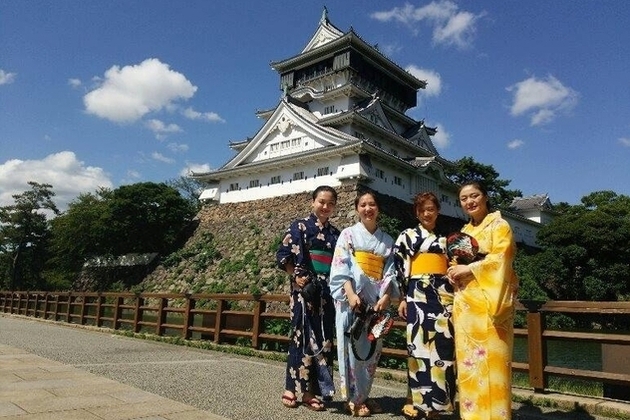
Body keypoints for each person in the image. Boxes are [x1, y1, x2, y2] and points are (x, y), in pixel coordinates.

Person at [446, 181, 519, 420]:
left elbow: (501, 259)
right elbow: (457, 262)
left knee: (495, 367)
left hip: (492, 306)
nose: (470, 201)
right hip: (467, 307)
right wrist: (454, 270)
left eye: (474, 195)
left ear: (485, 197)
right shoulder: (465, 232)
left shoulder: (500, 226)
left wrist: (470, 269)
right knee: (469, 367)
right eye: (464, 199)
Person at [329, 188, 398, 417]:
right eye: (363, 205)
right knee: (350, 348)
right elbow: (342, 265)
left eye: (372, 205)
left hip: (376, 301)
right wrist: (349, 293)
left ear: (378, 208)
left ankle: (363, 396)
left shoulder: (387, 240)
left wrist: (387, 297)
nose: (368, 209)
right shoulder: (348, 234)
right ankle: (352, 398)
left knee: (371, 350)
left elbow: (391, 272)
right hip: (353, 299)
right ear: (357, 209)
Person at [276, 185, 340, 411]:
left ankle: (311, 391)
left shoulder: (336, 234)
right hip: (304, 289)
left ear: (334, 207)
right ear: (313, 202)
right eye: (321, 201)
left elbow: (340, 265)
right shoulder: (299, 226)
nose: (325, 206)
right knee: (300, 337)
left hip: (326, 292)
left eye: (330, 203)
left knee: (323, 340)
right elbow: (283, 255)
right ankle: (291, 388)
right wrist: (296, 276)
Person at [393, 191, 457, 420]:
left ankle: (439, 406)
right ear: (416, 213)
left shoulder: (447, 239)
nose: (427, 214)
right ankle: (419, 404)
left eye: (431, 209)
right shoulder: (407, 236)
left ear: (438, 210)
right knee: (418, 349)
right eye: (422, 210)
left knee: (443, 348)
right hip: (417, 294)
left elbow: (455, 265)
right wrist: (402, 297)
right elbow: (400, 269)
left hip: (443, 296)